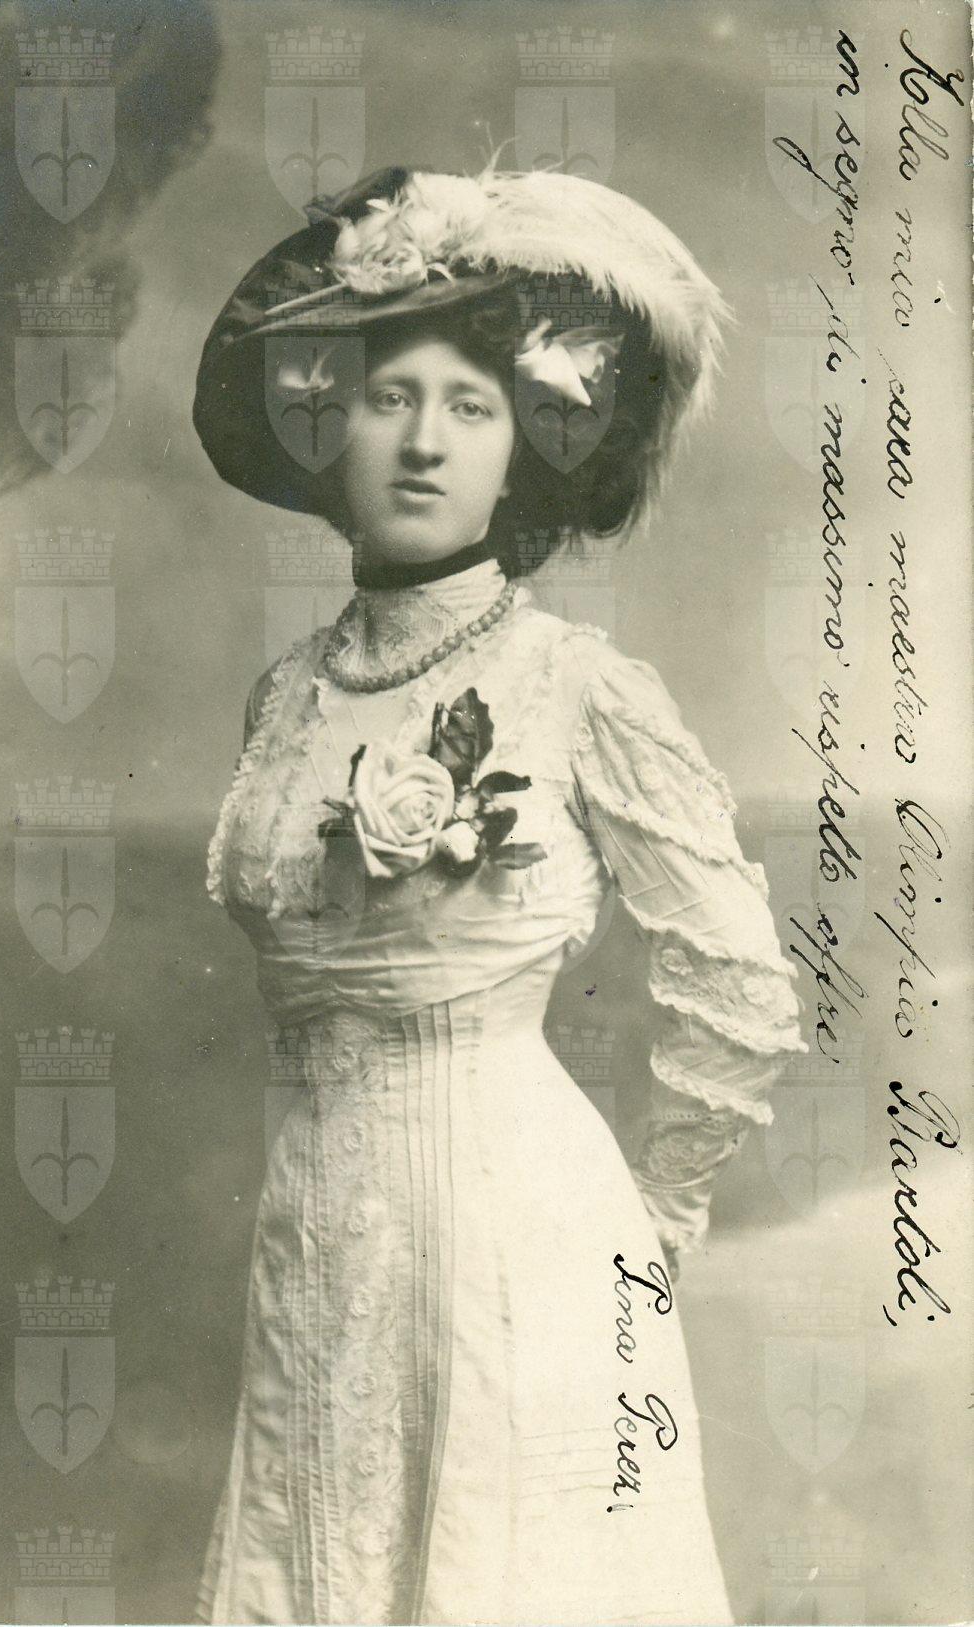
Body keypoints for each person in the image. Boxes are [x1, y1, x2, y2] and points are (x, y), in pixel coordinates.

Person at [192, 165, 806, 1626]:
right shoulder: (283, 699)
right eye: (387, 398)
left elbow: (738, 988)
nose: (423, 442)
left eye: (469, 409)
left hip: (524, 1237)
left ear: (522, 448)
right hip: (317, 1231)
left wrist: (656, 1216)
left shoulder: (576, 686)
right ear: (327, 427)